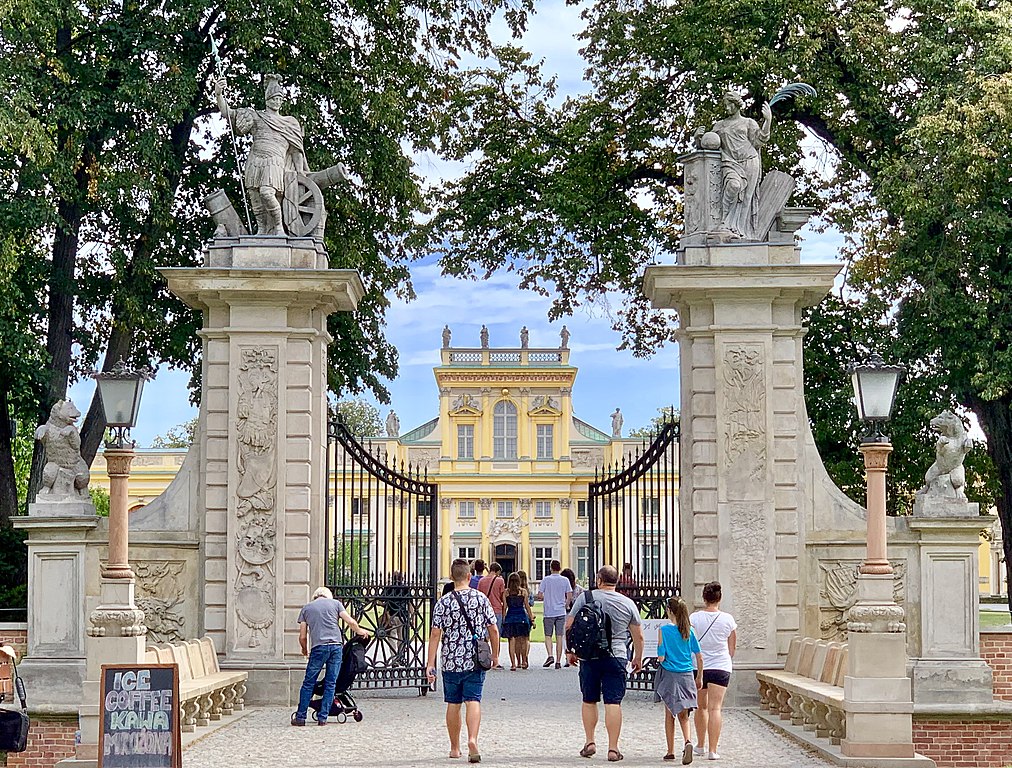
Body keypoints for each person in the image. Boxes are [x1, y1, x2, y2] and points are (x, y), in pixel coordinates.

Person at [565, 565, 644, 762]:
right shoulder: (627, 603)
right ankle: (613, 748)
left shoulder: (586, 598)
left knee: (589, 699)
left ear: (599, 579)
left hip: (589, 655)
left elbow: (569, 624)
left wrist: (570, 650)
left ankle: (590, 741)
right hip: (616, 656)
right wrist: (638, 658)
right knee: (613, 702)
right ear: (617, 581)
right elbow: (638, 636)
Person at [214, 74, 309, 236]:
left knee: (267, 193)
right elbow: (228, 114)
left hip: (275, 162)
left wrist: (300, 175)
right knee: (256, 199)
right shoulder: (256, 116)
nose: (277, 102)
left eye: (279, 99)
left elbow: (295, 150)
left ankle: (279, 228)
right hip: (255, 160)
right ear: (267, 99)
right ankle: (262, 230)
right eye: (273, 98)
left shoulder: (290, 122)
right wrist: (218, 94)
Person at [427, 558, 499, 763]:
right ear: (469, 576)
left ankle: (454, 748)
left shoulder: (443, 602)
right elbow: (493, 628)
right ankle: (473, 739)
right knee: (473, 700)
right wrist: (495, 654)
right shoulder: (480, 599)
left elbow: (435, 634)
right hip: (474, 659)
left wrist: (430, 663)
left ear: (452, 577)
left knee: (453, 703)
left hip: (451, 659)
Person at [293, 587, 369, 726]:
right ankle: (323, 718)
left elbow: (303, 636)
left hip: (318, 648)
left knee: (309, 682)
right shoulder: (335, 604)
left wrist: (304, 649)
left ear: (315, 597)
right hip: (335, 647)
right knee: (331, 683)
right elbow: (350, 622)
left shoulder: (306, 608)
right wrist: (359, 631)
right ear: (328, 596)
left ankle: (300, 717)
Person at [710, 90, 772, 239]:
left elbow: (760, 140)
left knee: (746, 199)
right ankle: (724, 221)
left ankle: (742, 232)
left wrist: (768, 121)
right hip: (729, 162)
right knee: (734, 186)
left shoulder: (748, 122)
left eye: (729, 104)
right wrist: (698, 137)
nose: (727, 108)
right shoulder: (719, 125)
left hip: (750, 161)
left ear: (736, 104)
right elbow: (708, 143)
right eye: (725, 105)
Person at [690, 581, 737, 761]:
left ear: (704, 598)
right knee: (715, 708)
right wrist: (725, 660)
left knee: (701, 707)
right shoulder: (728, 619)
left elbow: (690, 643)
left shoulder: (694, 618)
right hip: (720, 665)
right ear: (719, 599)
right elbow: (731, 647)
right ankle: (713, 749)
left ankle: (700, 744)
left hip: (699, 666)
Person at [656, 597, 703, 764]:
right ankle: (688, 741)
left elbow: (661, 657)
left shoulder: (664, 630)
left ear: (669, 610)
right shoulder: (688, 631)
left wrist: (660, 653)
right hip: (687, 675)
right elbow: (698, 656)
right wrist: (700, 676)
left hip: (670, 674)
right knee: (684, 714)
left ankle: (670, 751)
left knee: (670, 714)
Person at [537, 560, 572, 669]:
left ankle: (550, 655)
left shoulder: (546, 580)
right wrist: (566, 605)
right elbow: (569, 595)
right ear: (559, 568)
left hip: (548, 611)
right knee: (559, 636)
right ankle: (558, 661)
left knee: (548, 635)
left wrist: (546, 598)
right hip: (560, 612)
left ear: (551, 568)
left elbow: (539, 595)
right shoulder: (565, 580)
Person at [501, 573, 535, 670]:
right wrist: (531, 618)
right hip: (521, 617)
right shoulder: (523, 592)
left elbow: (504, 608)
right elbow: (527, 606)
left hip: (510, 617)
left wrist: (504, 619)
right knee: (524, 640)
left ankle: (513, 664)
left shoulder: (506, 592)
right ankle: (524, 661)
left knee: (511, 641)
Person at [477, 563, 507, 668]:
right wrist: (504, 612)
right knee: (496, 636)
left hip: (483, 611)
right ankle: (495, 660)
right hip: (496, 610)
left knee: (484, 636)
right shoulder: (500, 581)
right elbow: (503, 598)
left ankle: (483, 657)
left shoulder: (481, 581)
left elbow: (479, 596)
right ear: (498, 571)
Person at [561, 568, 584, 667]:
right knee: (574, 636)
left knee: (566, 636)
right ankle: (574, 655)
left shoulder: (564, 589)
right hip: (575, 615)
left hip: (568, 614)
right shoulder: (579, 589)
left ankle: (569, 656)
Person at [516, 570, 534, 668]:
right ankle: (525, 657)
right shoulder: (528, 590)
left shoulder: (513, 590)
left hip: (516, 615)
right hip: (526, 615)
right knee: (526, 639)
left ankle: (518, 660)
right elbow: (531, 603)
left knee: (517, 640)